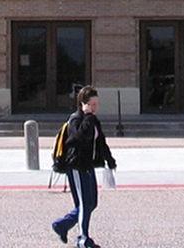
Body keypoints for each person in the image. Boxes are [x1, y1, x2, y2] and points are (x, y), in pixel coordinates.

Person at [52, 85, 116, 248]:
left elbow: (100, 141)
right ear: (83, 104)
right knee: (84, 203)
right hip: (76, 166)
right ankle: (83, 238)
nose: (95, 108)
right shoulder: (76, 119)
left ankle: (62, 225)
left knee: (91, 203)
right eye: (92, 104)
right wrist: (87, 117)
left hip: (88, 165)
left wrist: (109, 159)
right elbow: (78, 138)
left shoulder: (93, 120)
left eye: (96, 104)